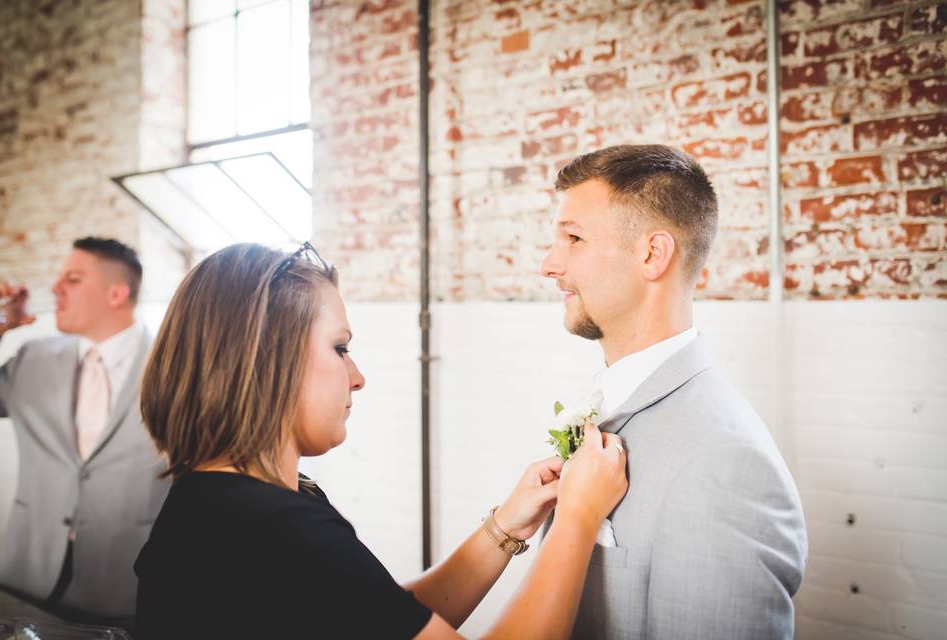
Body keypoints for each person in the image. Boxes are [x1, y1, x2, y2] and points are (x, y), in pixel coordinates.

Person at [133, 242, 629, 640]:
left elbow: (384, 615)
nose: (358, 376)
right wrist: (578, 518)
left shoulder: (226, 499)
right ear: (268, 360)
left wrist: (507, 525)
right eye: (339, 348)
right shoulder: (276, 529)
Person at [539, 144, 808, 639]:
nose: (549, 265)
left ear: (652, 254)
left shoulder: (724, 464)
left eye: (573, 238)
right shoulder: (612, 402)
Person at [0, 237, 169, 628]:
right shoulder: (33, 360)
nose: (55, 288)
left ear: (116, 293)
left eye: (72, 279)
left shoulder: (176, 369)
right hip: (25, 578)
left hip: (127, 588)